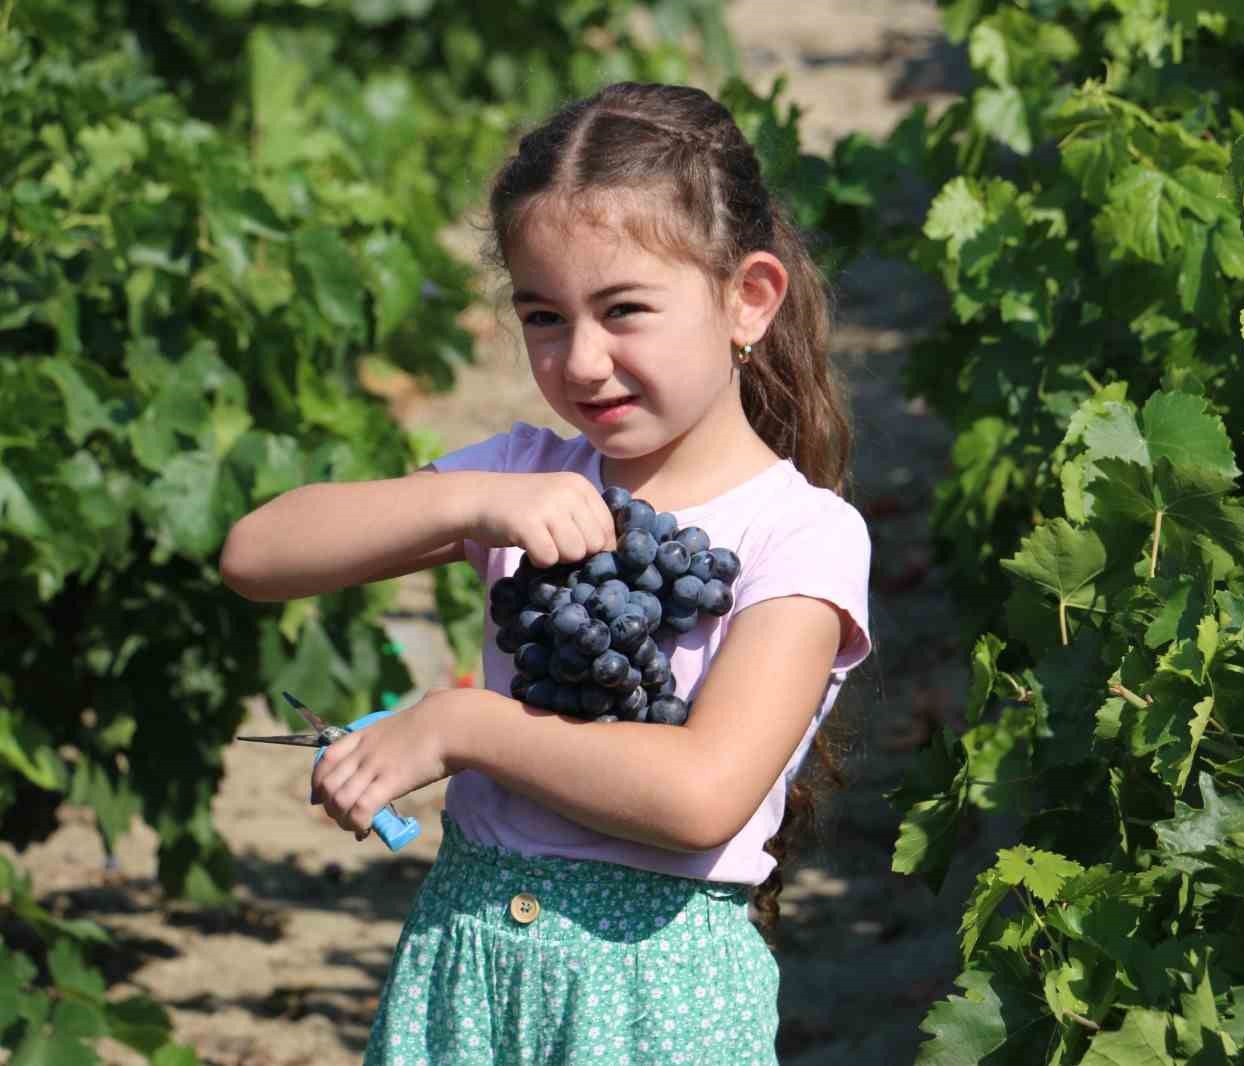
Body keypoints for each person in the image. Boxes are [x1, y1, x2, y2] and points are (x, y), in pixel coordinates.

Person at [219, 81, 872, 1065]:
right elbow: (255, 555)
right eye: (543, 317)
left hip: (657, 1002)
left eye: (624, 310)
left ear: (747, 299)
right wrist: (465, 500)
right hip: (468, 969)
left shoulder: (801, 536)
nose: (582, 361)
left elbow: (700, 796)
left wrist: (463, 723)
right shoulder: (526, 475)